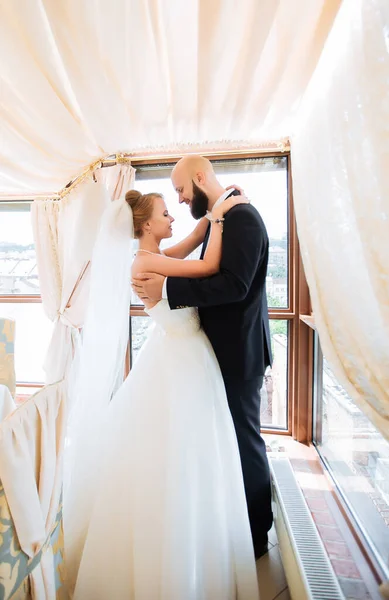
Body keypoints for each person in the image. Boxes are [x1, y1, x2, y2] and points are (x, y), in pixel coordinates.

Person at [64, 189, 259, 599]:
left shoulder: (157, 253)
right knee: (182, 446)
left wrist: (212, 211)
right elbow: (207, 265)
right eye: (166, 214)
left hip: (183, 349)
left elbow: (189, 245)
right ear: (147, 225)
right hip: (182, 354)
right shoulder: (146, 260)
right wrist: (221, 220)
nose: (173, 219)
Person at [132, 155, 273, 559]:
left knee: (244, 440)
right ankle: (222, 518)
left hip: (237, 352)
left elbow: (234, 285)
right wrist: (216, 214)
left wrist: (169, 292)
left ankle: (255, 534)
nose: (178, 200)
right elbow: (201, 256)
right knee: (218, 439)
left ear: (198, 177)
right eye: (170, 200)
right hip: (207, 353)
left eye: (179, 190)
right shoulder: (225, 216)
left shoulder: (241, 218)